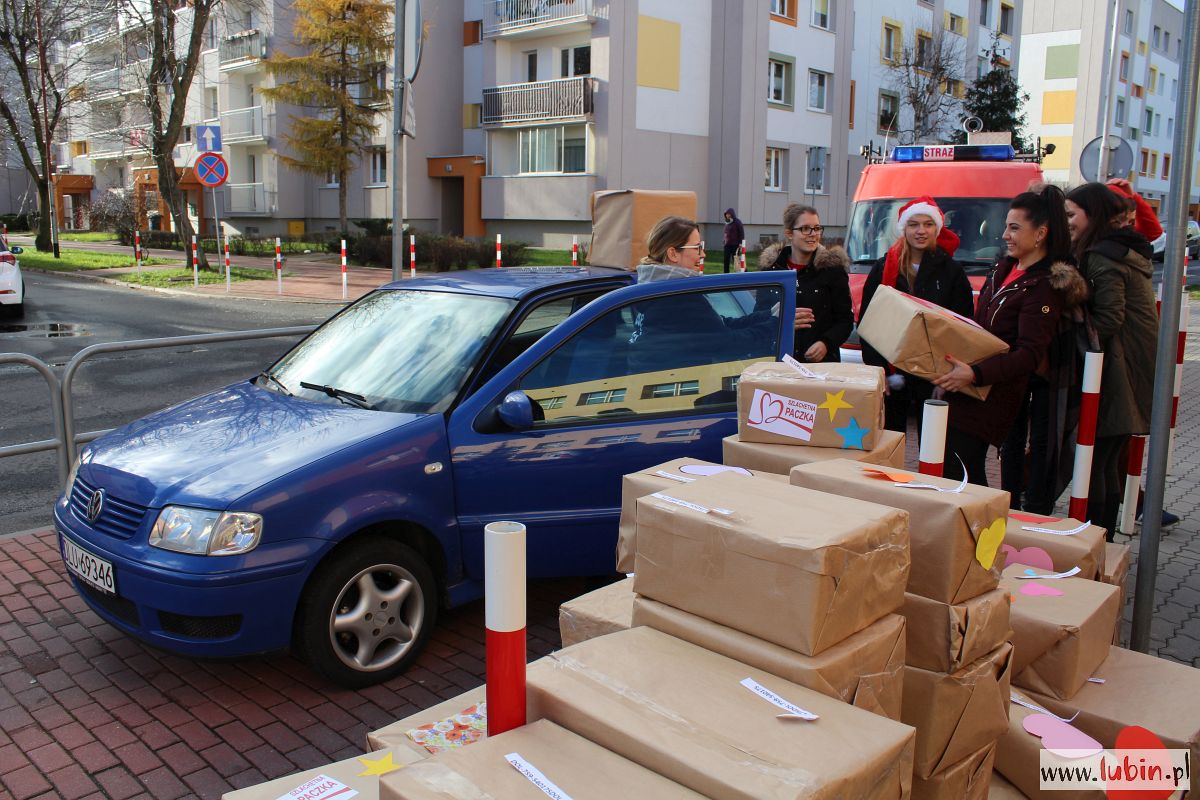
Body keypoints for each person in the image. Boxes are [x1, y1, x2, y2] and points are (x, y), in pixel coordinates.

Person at [933, 186, 1073, 486]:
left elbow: (1029, 354)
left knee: (963, 472)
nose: (1005, 235)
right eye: (1006, 227)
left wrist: (975, 373)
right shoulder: (1004, 268)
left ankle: (984, 516)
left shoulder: (1042, 286)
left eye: (1014, 228)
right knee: (955, 467)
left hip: (992, 392)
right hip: (969, 383)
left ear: (1040, 234)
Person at [1065, 183, 1159, 540]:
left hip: (1115, 374)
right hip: (1129, 370)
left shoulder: (1103, 256)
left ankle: (1095, 541)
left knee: (1097, 462)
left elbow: (1107, 320)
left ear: (1093, 215)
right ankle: (1104, 543)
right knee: (1105, 461)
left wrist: (1072, 324)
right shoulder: (1120, 249)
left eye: (1071, 214)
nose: (1066, 221)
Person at [858, 196, 974, 432]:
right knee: (891, 440)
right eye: (914, 225)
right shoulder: (883, 268)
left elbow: (963, 326)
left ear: (937, 229)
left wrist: (948, 375)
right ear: (904, 229)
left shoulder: (952, 271)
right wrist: (879, 371)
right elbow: (868, 324)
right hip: (893, 368)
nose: (921, 231)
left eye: (928, 224)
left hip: (934, 373)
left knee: (934, 442)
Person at [628, 215, 773, 374]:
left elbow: (717, 325)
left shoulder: (656, 288)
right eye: (697, 247)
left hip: (654, 380)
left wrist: (768, 315)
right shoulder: (679, 297)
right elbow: (726, 344)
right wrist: (774, 325)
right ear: (673, 254)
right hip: (671, 384)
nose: (703, 254)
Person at [758, 204, 853, 363]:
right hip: (779, 364)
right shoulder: (771, 272)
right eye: (805, 229)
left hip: (821, 366)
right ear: (789, 233)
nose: (813, 234)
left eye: (817, 228)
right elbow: (759, 317)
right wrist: (781, 323)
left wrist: (826, 343)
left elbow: (845, 320)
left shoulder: (832, 270)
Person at [722, 208, 745, 273]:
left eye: (728, 214)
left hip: (735, 245)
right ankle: (726, 273)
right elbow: (726, 232)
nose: (727, 215)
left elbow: (741, 232)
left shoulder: (737, 222)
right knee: (726, 259)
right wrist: (724, 240)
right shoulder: (727, 222)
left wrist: (740, 243)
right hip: (727, 245)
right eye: (726, 214)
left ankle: (738, 272)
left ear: (732, 214)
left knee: (736, 260)